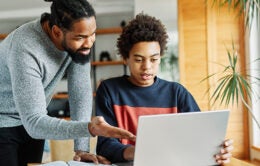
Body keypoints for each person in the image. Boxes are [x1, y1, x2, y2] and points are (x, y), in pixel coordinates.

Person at [0, 0, 135, 166]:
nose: (89, 42)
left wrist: (82, 149)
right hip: (3, 120)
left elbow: (80, 93)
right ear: (57, 32)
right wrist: (89, 128)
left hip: (32, 122)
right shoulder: (25, 47)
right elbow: (33, 122)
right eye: (81, 37)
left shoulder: (81, 42)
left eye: (93, 33)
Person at [93, 13, 234, 164]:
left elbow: (200, 137)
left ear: (160, 57)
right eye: (138, 59)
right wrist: (135, 152)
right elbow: (105, 145)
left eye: (154, 59)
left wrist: (217, 149)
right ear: (125, 58)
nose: (147, 67)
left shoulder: (177, 93)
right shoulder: (109, 90)